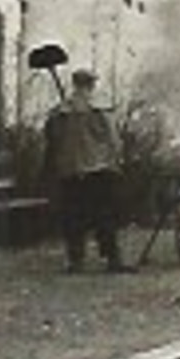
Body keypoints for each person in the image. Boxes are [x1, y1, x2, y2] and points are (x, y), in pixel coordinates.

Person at [44, 68, 128, 273]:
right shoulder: (101, 110)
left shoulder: (60, 112)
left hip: (71, 171)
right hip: (98, 170)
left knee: (73, 218)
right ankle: (112, 260)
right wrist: (117, 161)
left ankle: (75, 261)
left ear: (75, 83)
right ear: (91, 84)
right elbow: (113, 140)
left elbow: (51, 139)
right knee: (105, 217)